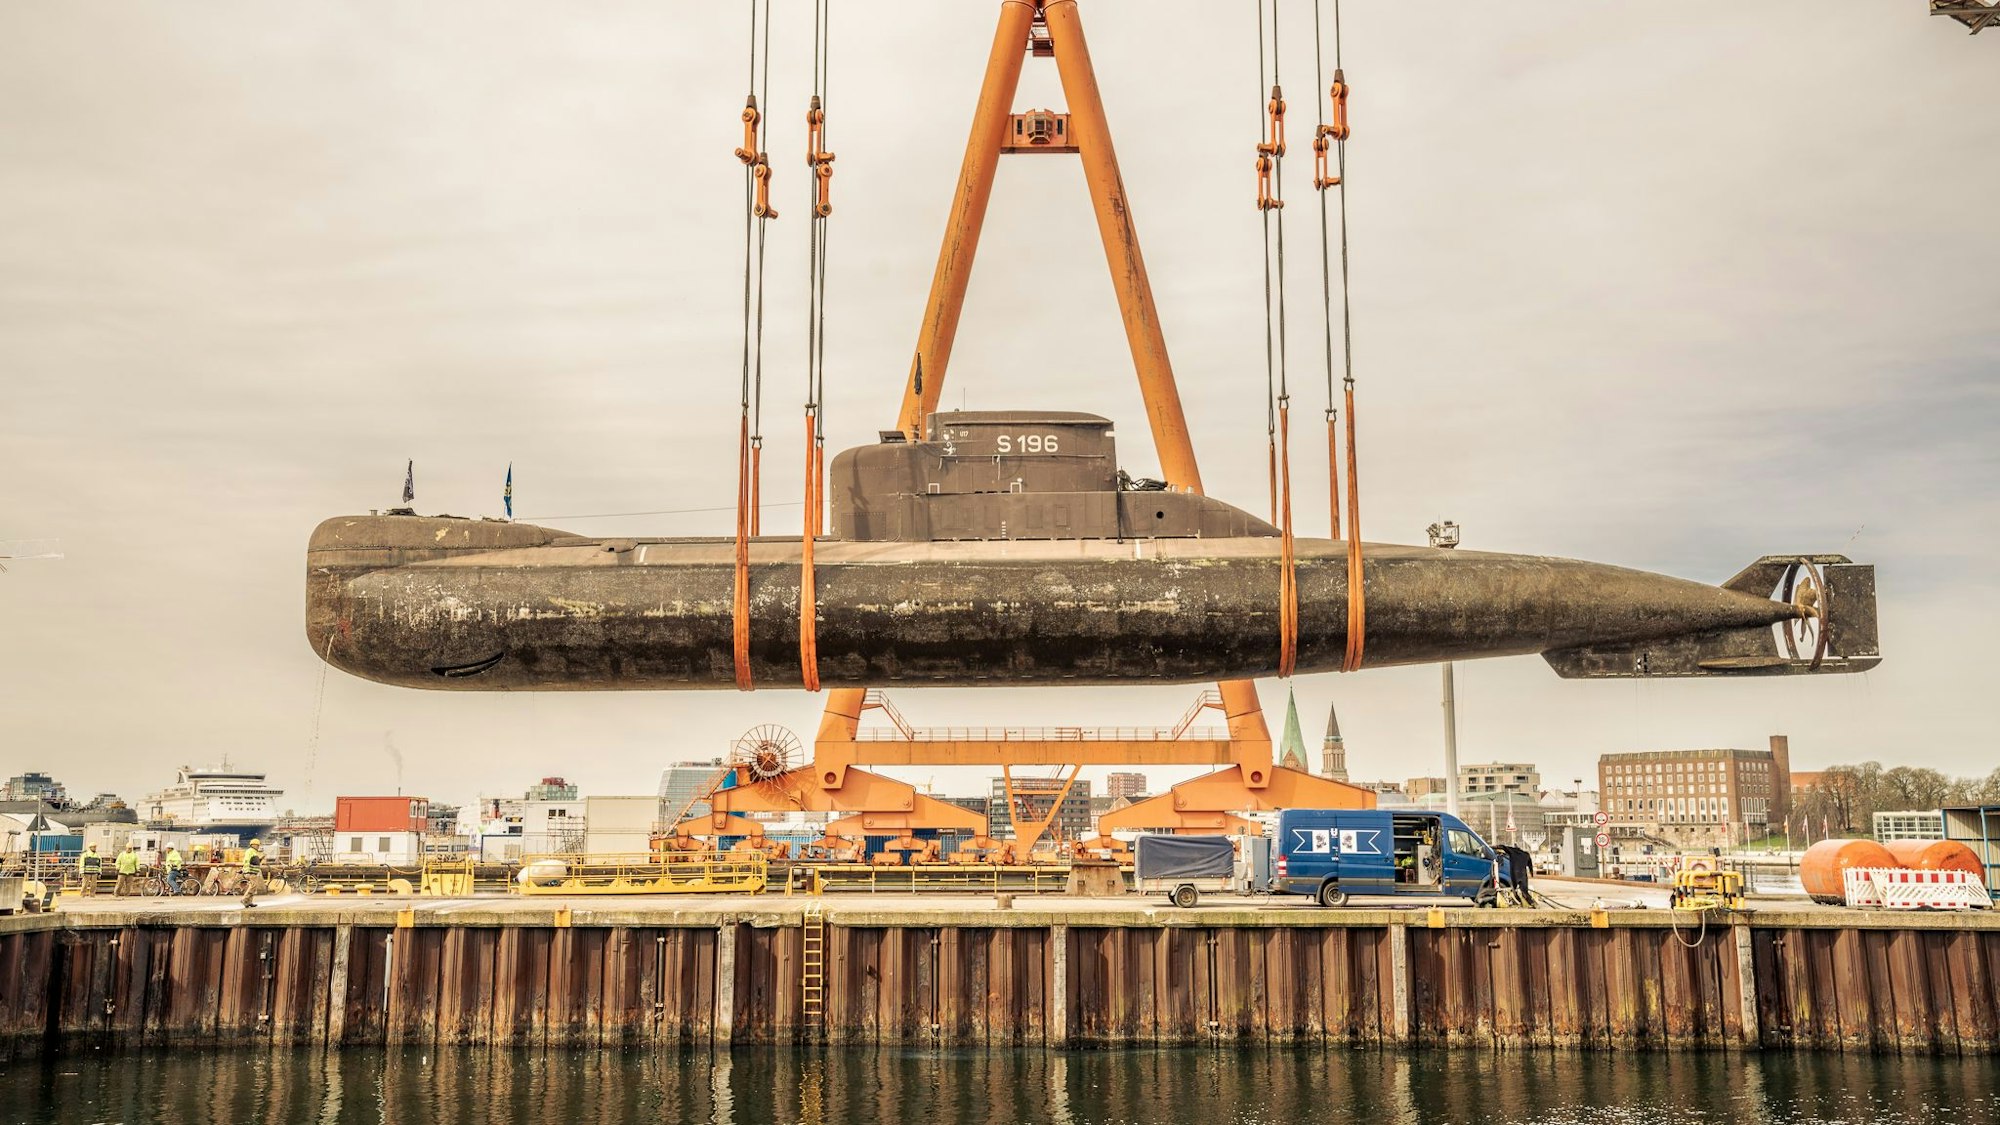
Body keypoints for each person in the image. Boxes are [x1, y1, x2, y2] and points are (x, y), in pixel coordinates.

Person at [239, 838, 266, 908]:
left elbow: (255, 861)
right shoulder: (250, 851)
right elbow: (247, 861)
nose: (258, 846)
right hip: (250, 872)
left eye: (258, 845)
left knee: (254, 887)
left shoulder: (254, 852)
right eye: (257, 845)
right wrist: (247, 870)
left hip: (253, 872)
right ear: (252, 845)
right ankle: (244, 899)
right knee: (253, 886)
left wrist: (261, 858)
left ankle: (249, 902)